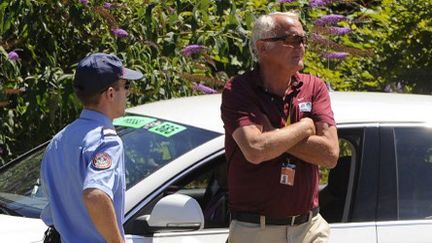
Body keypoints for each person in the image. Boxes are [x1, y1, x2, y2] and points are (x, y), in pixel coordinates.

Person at [221, 11, 340, 243]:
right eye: (292, 39)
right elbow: (255, 149)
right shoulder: (239, 90)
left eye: (303, 39)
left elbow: (330, 154)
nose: (301, 46)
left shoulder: (314, 87)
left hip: (309, 228)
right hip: (256, 230)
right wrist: (305, 127)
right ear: (263, 47)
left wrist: (273, 135)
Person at [40, 53, 143, 243]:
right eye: (126, 86)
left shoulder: (59, 140)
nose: (128, 93)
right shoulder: (107, 142)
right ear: (110, 93)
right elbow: (95, 195)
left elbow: (50, 199)